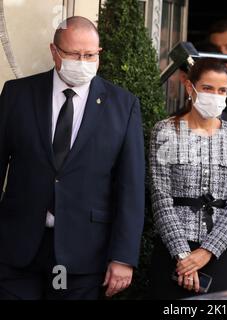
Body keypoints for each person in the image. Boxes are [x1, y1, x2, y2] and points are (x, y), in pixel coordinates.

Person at [0, 17, 145, 300]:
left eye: (90, 55)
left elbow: (130, 187)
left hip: (82, 253)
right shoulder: (18, 95)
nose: (83, 61)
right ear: (54, 51)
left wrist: (124, 257)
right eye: (73, 54)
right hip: (17, 248)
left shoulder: (123, 105)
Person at [149, 58, 227, 299]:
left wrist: (206, 252)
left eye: (222, 90)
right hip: (173, 251)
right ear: (189, 87)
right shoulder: (164, 131)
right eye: (207, 88)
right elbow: (160, 199)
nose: (215, 96)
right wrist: (184, 256)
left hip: (220, 252)